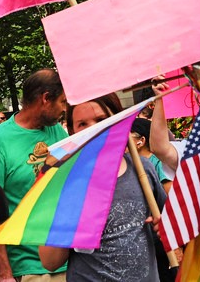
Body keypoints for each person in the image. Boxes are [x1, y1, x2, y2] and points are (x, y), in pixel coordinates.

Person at [39, 95, 165, 282]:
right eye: (82, 124)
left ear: (119, 119)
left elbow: (169, 224)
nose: (94, 129)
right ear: (72, 131)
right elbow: (50, 261)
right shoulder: (65, 182)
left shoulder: (143, 169)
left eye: (101, 120)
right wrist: (72, 213)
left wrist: (165, 227)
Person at [0, 69, 69, 282]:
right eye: (62, 102)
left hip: (69, 259)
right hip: (30, 269)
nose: (64, 109)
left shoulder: (57, 132)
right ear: (46, 99)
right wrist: (4, 274)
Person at [131, 118, 170, 192]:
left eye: (128, 138)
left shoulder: (159, 163)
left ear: (141, 141)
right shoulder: (126, 163)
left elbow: (169, 193)